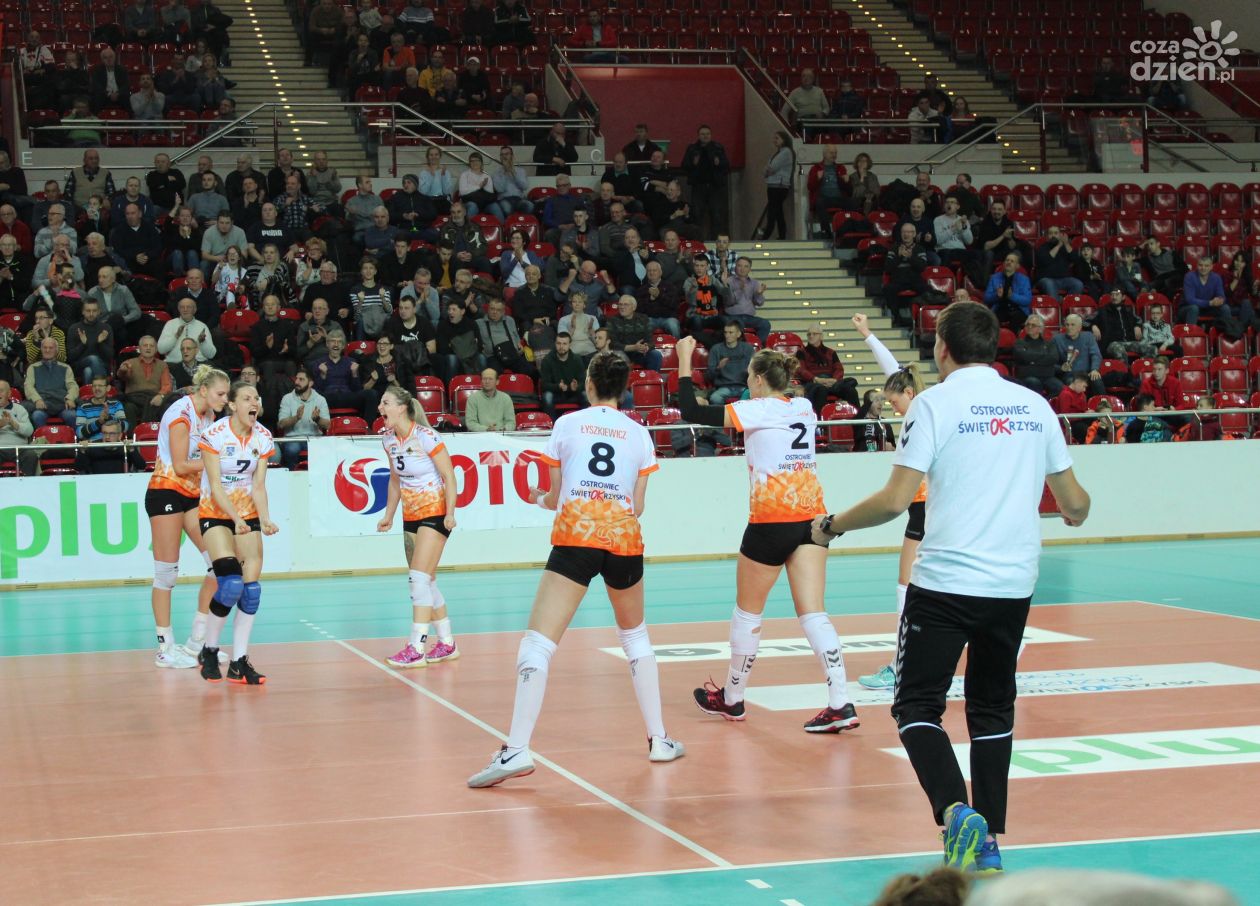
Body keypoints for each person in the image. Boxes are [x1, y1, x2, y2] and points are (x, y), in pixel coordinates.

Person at [811, 301, 1090, 874]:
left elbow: (895, 501)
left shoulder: (933, 405)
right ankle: (986, 839)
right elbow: (1076, 504)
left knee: (916, 705)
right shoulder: (1035, 406)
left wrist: (832, 525)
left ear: (942, 347)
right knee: (992, 707)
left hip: (944, 584)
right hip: (1012, 585)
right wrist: (1072, 511)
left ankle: (954, 809)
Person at [468, 352, 683, 787]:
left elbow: (555, 495)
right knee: (635, 637)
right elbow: (638, 505)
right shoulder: (639, 434)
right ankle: (660, 740)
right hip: (623, 540)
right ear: (623, 389)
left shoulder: (567, 425)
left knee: (538, 643)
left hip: (576, 537)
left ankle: (516, 750)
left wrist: (538, 498)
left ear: (589, 384)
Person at [673, 333, 858, 732]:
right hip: (812, 520)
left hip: (772, 520)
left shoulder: (756, 409)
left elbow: (690, 410)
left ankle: (733, 697)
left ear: (758, 379)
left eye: (749, 378)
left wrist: (684, 360)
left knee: (748, 611)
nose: (747, 383)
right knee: (814, 613)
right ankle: (841, 702)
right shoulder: (804, 406)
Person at [850, 312, 927, 687]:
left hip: (925, 509)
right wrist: (867, 335)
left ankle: (901, 665)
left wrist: (868, 335)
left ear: (909, 394)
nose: (892, 407)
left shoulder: (922, 409)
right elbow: (894, 369)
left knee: (905, 586)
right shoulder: (923, 406)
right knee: (921, 586)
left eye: (895, 402)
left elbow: (895, 371)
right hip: (925, 508)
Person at [145, 365, 230, 669]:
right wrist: (218, 462)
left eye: (227, 395)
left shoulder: (209, 417)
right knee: (166, 574)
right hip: (166, 491)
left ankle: (198, 642)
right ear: (204, 390)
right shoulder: (181, 413)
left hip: (193, 495)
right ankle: (165, 647)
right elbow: (181, 465)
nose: (225, 400)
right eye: (221, 394)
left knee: (220, 565)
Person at [195, 381, 278, 685]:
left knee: (251, 591)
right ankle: (209, 650)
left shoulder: (263, 437)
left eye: (256, 398)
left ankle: (239, 661)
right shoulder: (214, 435)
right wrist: (235, 518)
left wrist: (265, 519)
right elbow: (216, 485)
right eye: (246, 398)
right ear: (232, 405)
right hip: (216, 513)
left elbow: (258, 485)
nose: (254, 402)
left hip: (248, 514)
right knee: (230, 584)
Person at [375, 386, 460, 667]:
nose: (380, 407)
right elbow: (395, 480)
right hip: (410, 515)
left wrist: (450, 513)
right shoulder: (388, 439)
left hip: (435, 512)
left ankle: (416, 647)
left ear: (401, 408)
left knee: (418, 579)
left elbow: (449, 475)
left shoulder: (426, 436)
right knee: (427, 580)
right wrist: (388, 515)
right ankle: (447, 643)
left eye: (385, 403)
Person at [681, 125, 730, 238]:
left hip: (715, 187)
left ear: (711, 135)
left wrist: (719, 163)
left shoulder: (718, 148)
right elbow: (684, 166)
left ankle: (717, 240)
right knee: (697, 214)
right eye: (703, 134)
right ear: (698, 136)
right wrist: (693, 163)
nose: (705, 136)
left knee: (717, 215)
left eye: (707, 134)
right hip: (698, 186)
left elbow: (726, 166)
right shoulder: (692, 148)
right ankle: (697, 241)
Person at [276, 366, 330, 468]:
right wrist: (296, 418)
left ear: (310, 383)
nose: (296, 382)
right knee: (292, 449)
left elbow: (327, 425)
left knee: (324, 449)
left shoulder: (320, 399)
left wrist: (317, 419)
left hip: (314, 439)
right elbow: (281, 424)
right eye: (296, 379)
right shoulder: (287, 398)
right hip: (292, 439)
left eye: (301, 379)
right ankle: (292, 474)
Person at [1011, 313, 1063, 397]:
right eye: (1028, 324)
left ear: (1040, 329)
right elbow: (1023, 357)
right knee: (1034, 383)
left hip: (1046, 376)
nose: (1029, 327)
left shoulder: (1049, 343)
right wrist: (1043, 357)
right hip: (1027, 376)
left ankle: (1047, 402)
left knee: (1059, 386)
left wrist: (1032, 361)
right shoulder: (1019, 342)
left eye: (1033, 325)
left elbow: (1054, 358)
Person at [758, 131, 794, 241]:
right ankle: (782, 235)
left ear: (784, 139)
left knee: (772, 212)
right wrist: (767, 170)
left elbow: (772, 167)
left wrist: (768, 171)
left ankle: (766, 235)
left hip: (779, 186)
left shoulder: (786, 152)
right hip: (774, 185)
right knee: (778, 212)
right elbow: (767, 169)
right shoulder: (779, 153)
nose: (774, 140)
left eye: (777, 138)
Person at [983, 253, 1031, 332]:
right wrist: (996, 295)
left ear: (1017, 266)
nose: (1009, 262)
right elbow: (986, 298)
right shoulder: (994, 278)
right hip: (1000, 308)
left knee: (1015, 321)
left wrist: (1012, 296)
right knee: (992, 321)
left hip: (1018, 309)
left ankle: (1013, 339)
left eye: (1012, 261)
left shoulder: (1024, 279)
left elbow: (1027, 300)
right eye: (1007, 260)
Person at [464, 366, 514, 432]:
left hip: (501, 435)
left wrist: (503, 429)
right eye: (484, 379)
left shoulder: (506, 398)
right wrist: (487, 429)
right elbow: (470, 423)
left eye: (490, 379)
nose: (487, 381)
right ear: (481, 381)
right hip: (480, 436)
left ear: (497, 381)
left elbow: (511, 423)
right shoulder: (473, 398)